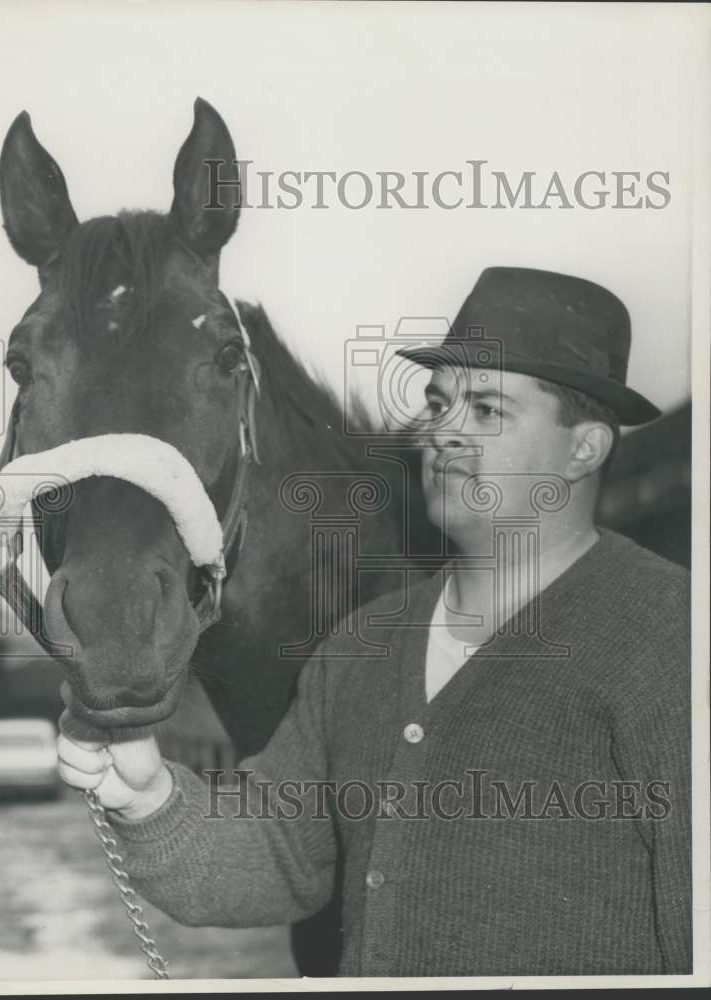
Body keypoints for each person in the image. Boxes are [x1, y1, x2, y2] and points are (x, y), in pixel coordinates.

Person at [57, 267, 692, 976]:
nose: (443, 432)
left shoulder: (673, 640)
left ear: (585, 449)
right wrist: (150, 798)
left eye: (487, 410)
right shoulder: (360, 647)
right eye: (438, 401)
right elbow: (278, 850)